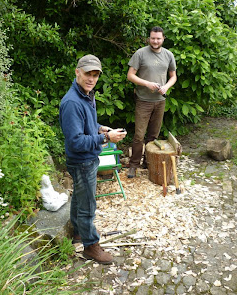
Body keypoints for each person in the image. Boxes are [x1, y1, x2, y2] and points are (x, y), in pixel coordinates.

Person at [59, 54, 127, 264]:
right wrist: (106, 137)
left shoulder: (86, 95)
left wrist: (102, 128)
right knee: (88, 205)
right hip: (82, 161)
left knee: (80, 197)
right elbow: (76, 142)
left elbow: (86, 126)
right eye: (88, 73)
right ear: (77, 72)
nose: (91, 78)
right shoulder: (72, 102)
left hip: (87, 159)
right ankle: (91, 246)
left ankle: (78, 232)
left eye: (95, 74)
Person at [127, 26, 177, 178]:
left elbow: (173, 76)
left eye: (158, 38)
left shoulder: (169, 55)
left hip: (160, 101)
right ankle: (133, 165)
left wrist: (166, 87)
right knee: (139, 136)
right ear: (149, 38)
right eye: (153, 38)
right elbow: (130, 75)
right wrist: (146, 84)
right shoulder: (140, 53)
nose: (155, 41)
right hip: (143, 100)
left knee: (153, 136)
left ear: (163, 39)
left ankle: (147, 162)